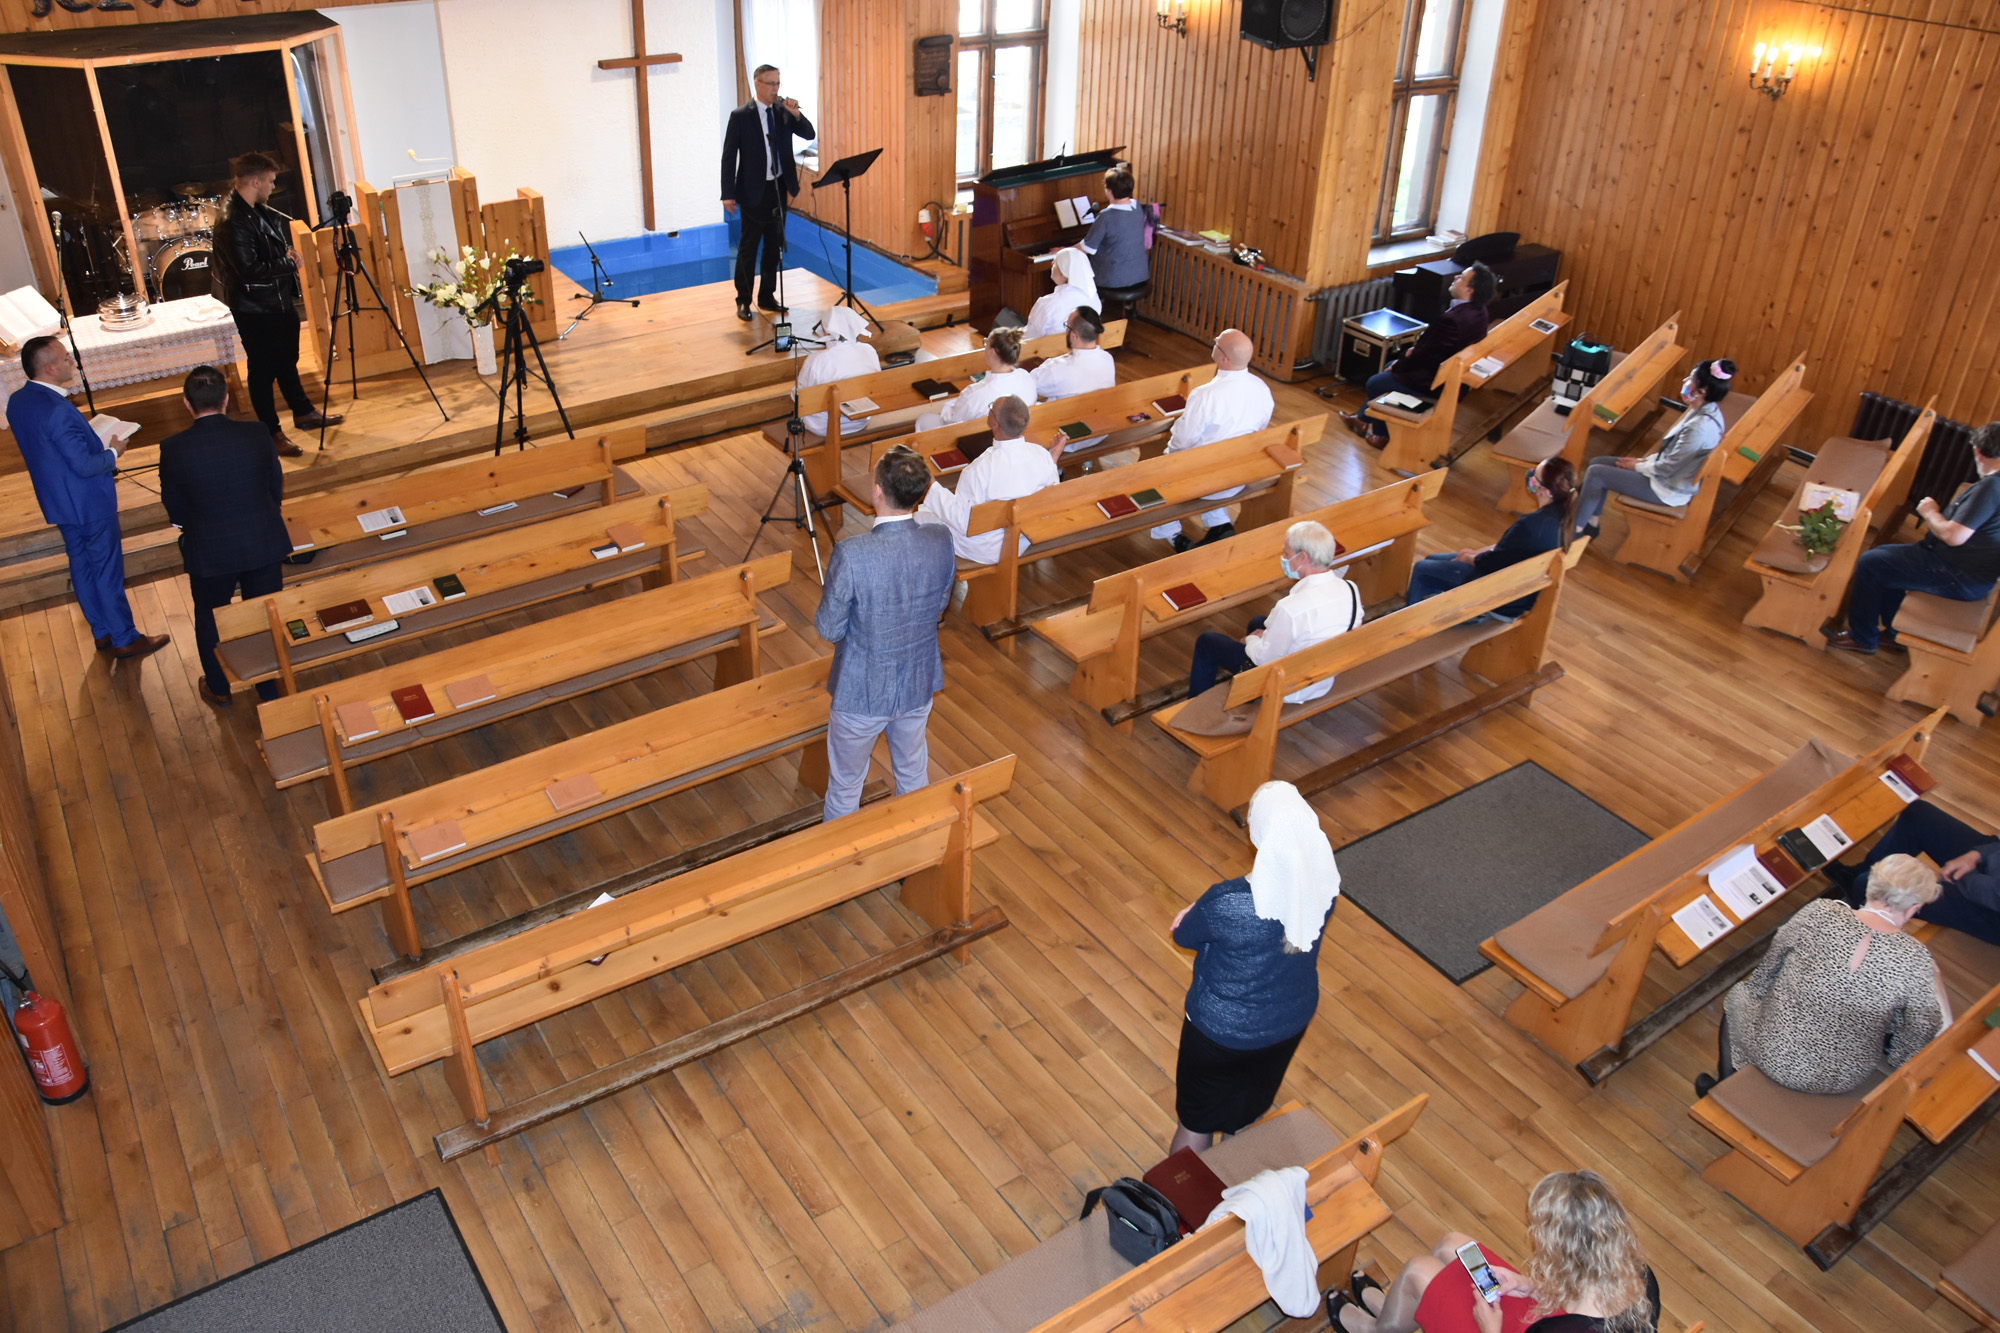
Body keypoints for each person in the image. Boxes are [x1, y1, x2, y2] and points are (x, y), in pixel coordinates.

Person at [1168, 781, 1339, 1152]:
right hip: (1288, 1023)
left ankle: (1188, 1189)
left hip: (1219, 1032)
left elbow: (1184, 936)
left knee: (1195, 1122)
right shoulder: (1323, 883)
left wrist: (1191, 912)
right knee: (1245, 1117)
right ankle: (1238, 1179)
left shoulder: (1230, 902)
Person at [1702, 857, 1946, 1098]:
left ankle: (1724, 1086)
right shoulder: (1916, 958)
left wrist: (1760, 992)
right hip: (1846, 1076)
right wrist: (1898, 1058)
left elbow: (1770, 966)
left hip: (1774, 1053)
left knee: (1739, 995)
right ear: (1912, 908)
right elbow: (1923, 1025)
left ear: (1870, 887)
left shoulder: (1820, 913)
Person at [814, 445, 957, 822]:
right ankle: (915, 846)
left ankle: (842, 858)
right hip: (917, 681)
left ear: (876, 490)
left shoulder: (852, 553)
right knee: (913, 774)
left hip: (861, 689)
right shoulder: (940, 538)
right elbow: (939, 606)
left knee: (845, 787)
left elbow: (828, 627)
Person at [1329, 1170, 1660, 1333]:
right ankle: (1398, 1312)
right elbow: (1582, 1297)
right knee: (1453, 1244)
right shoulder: (1641, 1276)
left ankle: (1377, 1329)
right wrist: (1528, 1285)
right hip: (1553, 1319)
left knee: (1419, 1271)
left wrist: (1490, 1327)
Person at [5, 336, 167, 660]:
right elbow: (84, 465)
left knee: (81, 566)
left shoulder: (18, 401)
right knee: (106, 570)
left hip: (59, 501)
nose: (72, 362)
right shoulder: (57, 410)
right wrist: (113, 451)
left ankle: (102, 631)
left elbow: (50, 450)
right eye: (66, 358)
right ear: (50, 369)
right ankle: (125, 637)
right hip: (88, 503)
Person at [158, 365, 291, 707]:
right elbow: (274, 486)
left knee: (209, 616)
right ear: (227, 399)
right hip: (262, 540)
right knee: (263, 614)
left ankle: (219, 688)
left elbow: (175, 506)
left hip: (209, 550)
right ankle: (268, 686)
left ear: (186, 403)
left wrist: (194, 526)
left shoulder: (173, 448)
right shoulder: (257, 432)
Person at [1824, 422, 2000, 655]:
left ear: (1978, 451)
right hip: (1969, 572)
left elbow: (1953, 536)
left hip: (1959, 575)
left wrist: (1930, 512)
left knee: (1871, 562)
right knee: (1887, 558)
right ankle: (1894, 633)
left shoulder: (1991, 487)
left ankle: (1862, 637)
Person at [211, 151, 341, 458]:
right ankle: (271, 432)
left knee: (286, 360)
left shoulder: (255, 208)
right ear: (255, 182)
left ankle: (302, 411)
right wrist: (288, 264)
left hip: (275, 299)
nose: (273, 186)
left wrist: (286, 252)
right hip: (255, 307)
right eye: (270, 181)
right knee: (262, 370)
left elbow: (266, 248)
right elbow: (249, 269)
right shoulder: (232, 220)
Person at [1187, 520, 1360, 703]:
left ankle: (1196, 706)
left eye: (1286, 554)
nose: (1283, 558)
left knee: (1208, 642)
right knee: (1258, 622)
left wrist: (1251, 640)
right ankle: (1246, 693)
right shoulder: (1350, 588)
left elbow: (1263, 658)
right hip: (1324, 674)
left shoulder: (1291, 608)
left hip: (1288, 686)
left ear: (1302, 557)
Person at [1571, 359, 1736, 539]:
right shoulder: (1707, 410)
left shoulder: (1700, 427)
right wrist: (1643, 461)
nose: (1684, 381)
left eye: (1690, 379)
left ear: (1701, 391)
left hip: (1667, 489)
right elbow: (1675, 453)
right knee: (1597, 462)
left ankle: (1574, 532)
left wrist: (1637, 466)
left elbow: (1669, 467)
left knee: (1596, 474)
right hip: (1666, 474)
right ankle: (1591, 523)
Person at [1339, 264, 1495, 448]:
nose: (1455, 278)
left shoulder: (1454, 320)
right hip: (1446, 375)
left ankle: (1382, 435)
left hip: (1435, 383)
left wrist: (1401, 363)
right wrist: (1408, 356)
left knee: (1376, 383)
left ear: (1470, 290)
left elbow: (1428, 358)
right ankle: (1362, 420)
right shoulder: (1479, 311)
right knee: (1387, 368)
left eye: (1461, 277)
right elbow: (1434, 350)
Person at [1150, 328, 1274, 550]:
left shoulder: (1205, 394)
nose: (1214, 342)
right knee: (1214, 454)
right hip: (1241, 472)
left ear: (1224, 359)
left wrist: (1167, 461)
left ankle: (1172, 534)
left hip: (1206, 479)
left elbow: (1183, 441)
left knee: (1156, 474)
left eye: (1217, 342)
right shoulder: (1262, 388)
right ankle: (1219, 523)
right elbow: (1260, 431)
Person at [1406, 457, 1577, 617]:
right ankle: (1435, 612)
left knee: (1422, 568)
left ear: (1544, 491)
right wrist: (1476, 552)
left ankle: (1410, 623)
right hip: (1520, 590)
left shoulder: (1531, 524)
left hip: (1497, 593)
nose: (1530, 477)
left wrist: (1469, 558)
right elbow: (1509, 549)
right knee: (1433, 559)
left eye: (1535, 477)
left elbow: (1493, 562)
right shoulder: (1563, 519)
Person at [1826, 800, 2000, 945]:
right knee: (1918, 814)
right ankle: (1858, 878)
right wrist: (1977, 854)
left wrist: (1954, 875)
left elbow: (1990, 893)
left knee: (1873, 886)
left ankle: (1856, 931)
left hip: (1990, 906)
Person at [721, 64, 816, 323]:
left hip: (778, 187)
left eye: (778, 83)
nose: (776, 89)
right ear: (758, 84)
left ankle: (767, 296)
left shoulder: (783, 111)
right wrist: (727, 193)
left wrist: (796, 114)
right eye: (771, 83)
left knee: (773, 246)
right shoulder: (740, 116)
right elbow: (729, 156)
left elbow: (809, 134)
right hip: (753, 190)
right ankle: (743, 300)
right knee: (749, 247)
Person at [915, 395, 1061, 563]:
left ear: (995, 424)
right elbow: (1051, 491)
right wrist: (1051, 461)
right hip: (1021, 539)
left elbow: (963, 521)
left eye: (991, 408)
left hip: (983, 548)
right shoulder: (1041, 454)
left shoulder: (979, 469)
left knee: (917, 519)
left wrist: (932, 485)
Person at [914, 327, 1038, 433]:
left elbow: (950, 419)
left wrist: (948, 405)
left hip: (976, 435)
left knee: (924, 419)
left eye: (986, 343)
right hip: (1016, 431)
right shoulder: (1025, 376)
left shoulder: (976, 392)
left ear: (992, 352)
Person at [793, 307, 879, 438]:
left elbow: (801, 397)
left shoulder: (817, 359)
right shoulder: (868, 350)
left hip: (823, 426)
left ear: (826, 331)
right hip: (860, 420)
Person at [1078, 163, 1149, 292]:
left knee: (1076, 274)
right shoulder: (1137, 206)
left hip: (1113, 280)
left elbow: (1086, 248)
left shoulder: (1106, 216)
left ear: (1109, 191)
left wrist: (1062, 250)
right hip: (1140, 275)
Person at [1030, 305, 1117, 403]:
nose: (1066, 330)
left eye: (1067, 326)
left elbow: (1030, 384)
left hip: (1064, 411)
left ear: (1074, 336)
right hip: (1099, 409)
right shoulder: (1108, 359)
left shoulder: (1057, 368)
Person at [1024, 248, 1100, 338]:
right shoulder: (1094, 299)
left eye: (1055, 263)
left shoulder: (1047, 303)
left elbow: (1031, 337)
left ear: (1063, 273)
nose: (1051, 264)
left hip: (1051, 346)